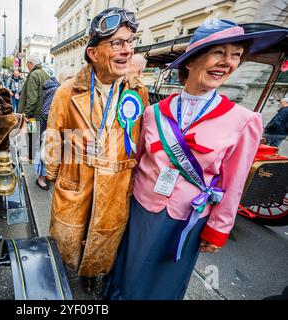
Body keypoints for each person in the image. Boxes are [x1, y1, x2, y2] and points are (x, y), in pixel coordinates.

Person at [103, 18, 287, 300]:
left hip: (187, 218)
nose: (228, 62)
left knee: (164, 281)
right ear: (191, 61)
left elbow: (233, 184)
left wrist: (218, 228)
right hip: (140, 209)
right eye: (219, 52)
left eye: (236, 55)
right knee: (128, 270)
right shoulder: (153, 113)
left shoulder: (244, 121)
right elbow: (136, 162)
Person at [44, 7, 149, 294]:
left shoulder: (138, 90)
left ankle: (92, 273)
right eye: (117, 43)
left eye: (130, 42)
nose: (127, 50)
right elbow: (52, 141)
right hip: (76, 184)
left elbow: (138, 142)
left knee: (102, 245)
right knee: (68, 244)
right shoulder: (66, 92)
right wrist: (62, 164)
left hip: (115, 189)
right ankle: (66, 274)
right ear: (93, 53)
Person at [34, 66, 76, 190]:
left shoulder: (57, 87)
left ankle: (47, 176)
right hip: (48, 129)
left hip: (50, 129)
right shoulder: (56, 89)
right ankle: (41, 179)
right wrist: (57, 122)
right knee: (45, 153)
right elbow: (46, 111)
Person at [18, 54, 50, 162]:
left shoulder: (33, 75)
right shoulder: (45, 74)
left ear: (30, 64)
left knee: (31, 136)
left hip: (33, 115)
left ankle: (31, 157)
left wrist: (26, 115)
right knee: (40, 138)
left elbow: (32, 98)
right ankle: (38, 158)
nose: (27, 66)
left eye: (27, 64)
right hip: (43, 113)